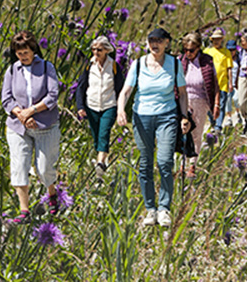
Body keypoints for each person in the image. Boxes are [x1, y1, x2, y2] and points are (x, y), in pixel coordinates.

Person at [117, 28, 189, 228]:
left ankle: (164, 208)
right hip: (142, 117)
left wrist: (184, 116)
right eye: (151, 40)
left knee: (165, 161)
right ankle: (150, 209)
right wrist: (121, 110)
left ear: (167, 42)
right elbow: (126, 90)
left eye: (159, 40)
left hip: (167, 116)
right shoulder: (138, 63)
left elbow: (182, 93)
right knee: (145, 163)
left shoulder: (174, 64)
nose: (154, 44)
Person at [1, 30, 61, 224]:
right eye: (19, 53)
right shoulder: (11, 70)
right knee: (19, 166)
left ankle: (52, 192)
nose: (23, 56)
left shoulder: (46, 67)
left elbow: (52, 95)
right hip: (18, 127)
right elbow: (6, 99)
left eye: (25, 52)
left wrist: (31, 111)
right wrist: (22, 115)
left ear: (33, 49)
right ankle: (24, 210)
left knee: (43, 168)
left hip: (45, 125)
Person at [76, 36, 125, 177]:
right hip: (92, 106)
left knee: (104, 134)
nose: (96, 52)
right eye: (94, 49)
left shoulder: (114, 66)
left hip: (109, 105)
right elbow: (81, 87)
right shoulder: (88, 65)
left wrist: (120, 108)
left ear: (106, 50)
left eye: (99, 49)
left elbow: (120, 88)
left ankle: (99, 167)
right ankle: (102, 161)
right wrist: (80, 106)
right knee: (96, 137)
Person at [179, 32, 218, 178]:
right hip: (184, 100)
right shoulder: (181, 61)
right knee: (183, 132)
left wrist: (216, 104)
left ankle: (192, 165)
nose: (188, 53)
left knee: (196, 134)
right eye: (186, 50)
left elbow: (215, 84)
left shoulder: (207, 62)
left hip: (200, 101)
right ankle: (182, 163)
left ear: (198, 48)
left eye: (192, 50)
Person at [203, 29, 233, 134]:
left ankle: (218, 126)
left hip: (222, 83)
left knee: (221, 104)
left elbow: (229, 68)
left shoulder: (226, 52)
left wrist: (230, 83)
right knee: (209, 105)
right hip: (210, 83)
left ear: (222, 40)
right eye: (214, 39)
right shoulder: (207, 51)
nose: (216, 41)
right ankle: (213, 122)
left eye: (218, 39)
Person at [223, 39, 240, 128]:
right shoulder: (225, 59)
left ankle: (238, 113)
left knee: (237, 99)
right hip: (227, 84)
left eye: (233, 50)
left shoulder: (239, 59)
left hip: (236, 84)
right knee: (228, 101)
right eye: (229, 50)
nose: (231, 52)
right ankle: (229, 117)